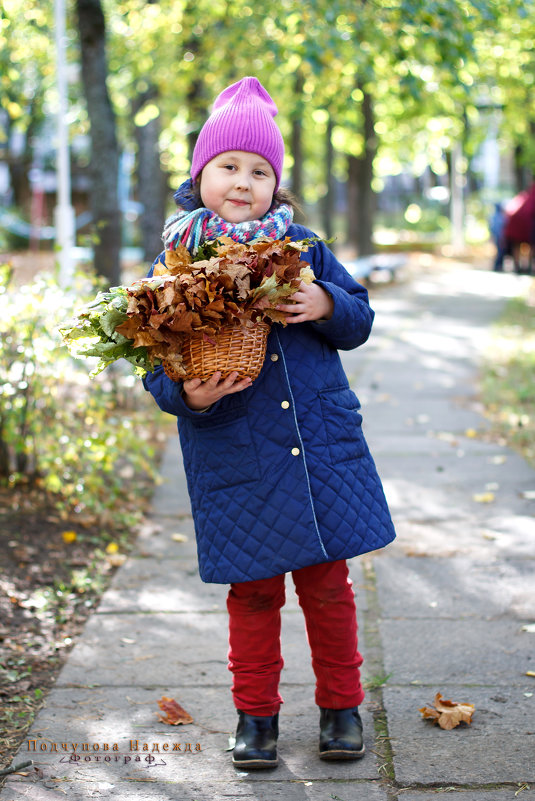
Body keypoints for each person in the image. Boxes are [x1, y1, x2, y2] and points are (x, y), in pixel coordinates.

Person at [143, 77, 396, 769]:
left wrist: (325, 304)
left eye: (260, 170)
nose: (243, 181)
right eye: (228, 166)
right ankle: (255, 716)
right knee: (252, 593)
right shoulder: (176, 262)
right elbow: (152, 360)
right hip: (237, 451)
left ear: (276, 185)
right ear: (200, 176)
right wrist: (188, 394)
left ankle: (341, 707)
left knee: (327, 587)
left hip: (315, 447)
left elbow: (361, 316)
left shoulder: (305, 248)